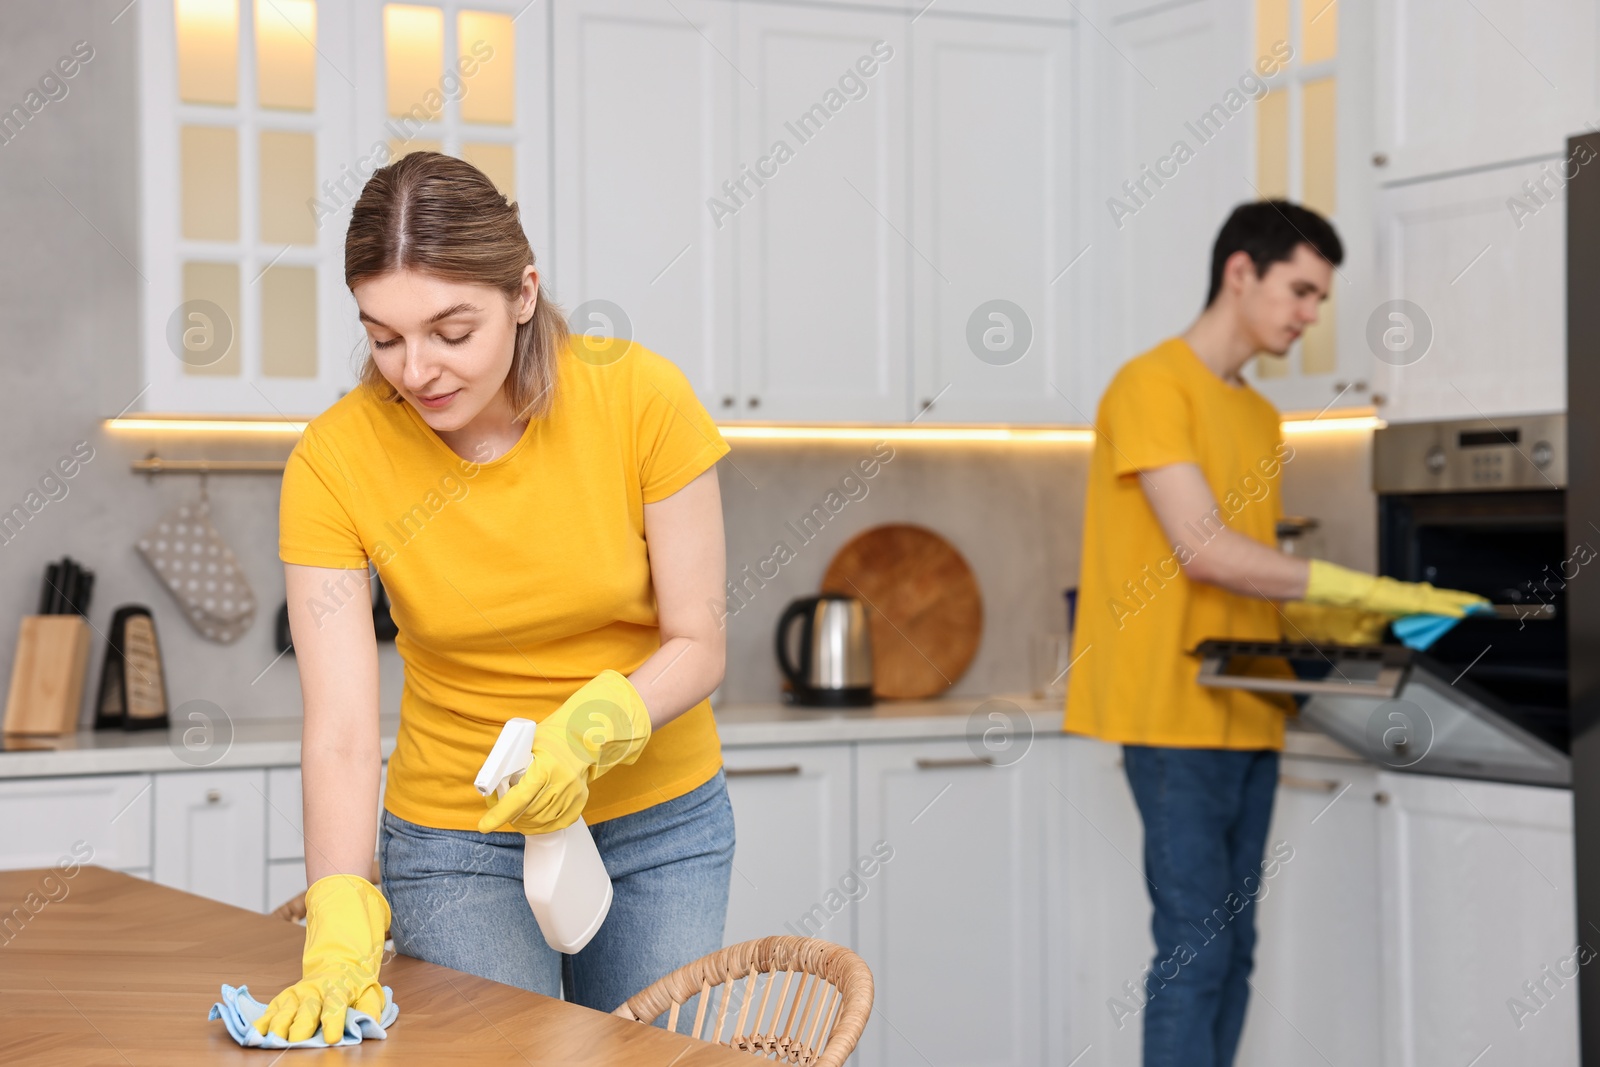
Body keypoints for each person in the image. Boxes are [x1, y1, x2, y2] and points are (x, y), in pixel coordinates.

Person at [255, 151, 735, 1043]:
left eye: (451, 330)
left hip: (657, 826)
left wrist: (589, 731)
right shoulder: (335, 460)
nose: (417, 369)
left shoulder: (641, 400)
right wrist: (337, 914)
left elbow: (698, 642)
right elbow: (345, 730)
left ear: (523, 291)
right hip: (458, 838)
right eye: (384, 336)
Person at [1064, 200, 1486, 1067]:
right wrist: (1367, 585)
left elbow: (1264, 579)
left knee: (1236, 952)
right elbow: (1207, 552)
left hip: (1250, 709)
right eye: (1300, 290)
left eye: (1321, 300)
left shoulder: (1258, 419)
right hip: (1168, 712)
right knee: (1196, 951)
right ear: (1239, 272)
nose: (1309, 314)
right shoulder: (1150, 386)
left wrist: (1379, 615)